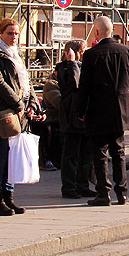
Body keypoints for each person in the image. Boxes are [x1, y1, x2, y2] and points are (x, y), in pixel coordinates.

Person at [0, 18, 43, 216]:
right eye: (10, 33)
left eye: (16, 33)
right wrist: (18, 103)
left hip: (18, 115)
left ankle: (9, 198)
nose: (14, 36)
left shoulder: (16, 55)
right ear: (0, 34)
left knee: (11, 160)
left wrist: (32, 103)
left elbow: (26, 82)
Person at [74, 16, 129, 206]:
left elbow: (84, 86)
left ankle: (103, 192)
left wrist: (80, 109)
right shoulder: (127, 51)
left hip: (98, 109)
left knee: (100, 152)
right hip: (120, 110)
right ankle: (122, 192)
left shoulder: (91, 55)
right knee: (119, 151)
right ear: (111, 30)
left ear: (96, 32)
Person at [56, 39, 94, 199]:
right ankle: (69, 186)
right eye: (83, 50)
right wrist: (71, 63)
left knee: (86, 154)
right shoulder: (64, 67)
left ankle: (83, 184)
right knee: (71, 154)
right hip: (71, 115)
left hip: (84, 113)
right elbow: (75, 83)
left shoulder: (84, 66)